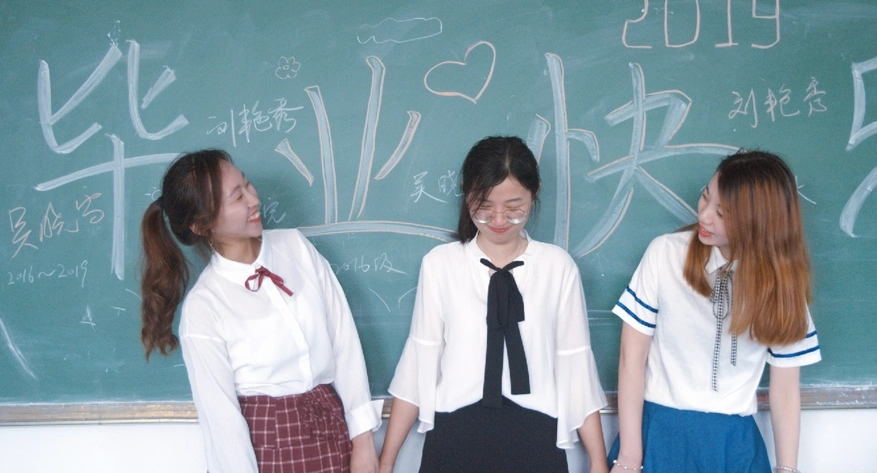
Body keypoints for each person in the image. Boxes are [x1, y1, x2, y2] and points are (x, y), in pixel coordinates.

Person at [140, 149, 382, 473]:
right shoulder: (205, 305)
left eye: (247, 185)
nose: (254, 200)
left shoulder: (295, 247)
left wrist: (363, 440)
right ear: (201, 224)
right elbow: (222, 421)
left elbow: (343, 340)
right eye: (237, 197)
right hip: (268, 444)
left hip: (331, 426)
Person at [377, 136, 609, 473]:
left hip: (535, 438)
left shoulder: (557, 267)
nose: (499, 219)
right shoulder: (441, 264)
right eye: (484, 207)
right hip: (455, 437)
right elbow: (419, 362)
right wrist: (386, 462)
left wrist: (599, 462)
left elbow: (576, 365)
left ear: (535, 193)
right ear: (466, 192)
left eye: (514, 208)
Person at [609, 150, 820, 473]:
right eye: (705, 196)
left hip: (733, 445)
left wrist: (787, 469)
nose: (704, 216)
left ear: (758, 223)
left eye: (722, 213)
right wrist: (629, 458)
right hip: (660, 434)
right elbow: (631, 358)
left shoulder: (782, 286)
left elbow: (786, 388)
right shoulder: (666, 254)